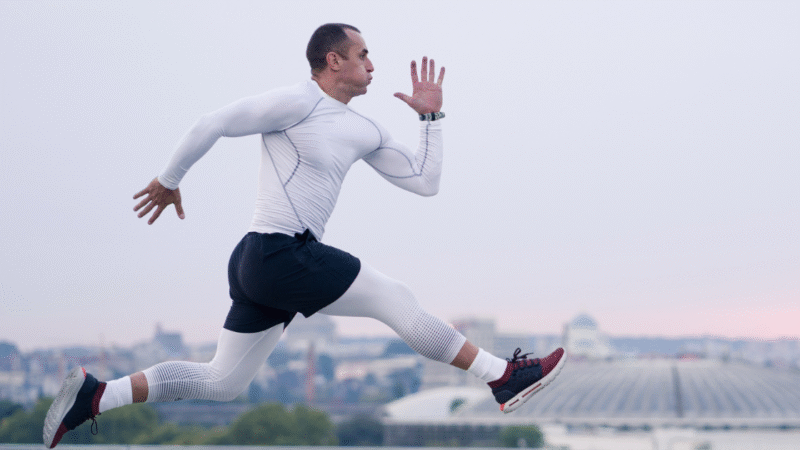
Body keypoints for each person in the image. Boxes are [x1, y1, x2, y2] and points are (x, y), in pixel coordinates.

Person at [43, 23, 566, 448]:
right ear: (332, 60)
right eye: (363, 53)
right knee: (394, 298)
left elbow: (425, 183)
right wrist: (169, 180)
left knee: (225, 383)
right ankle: (503, 376)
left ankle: (96, 395)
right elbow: (214, 122)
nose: (373, 64)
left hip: (269, 264)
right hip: (276, 252)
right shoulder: (297, 102)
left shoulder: (366, 129)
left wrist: (431, 117)